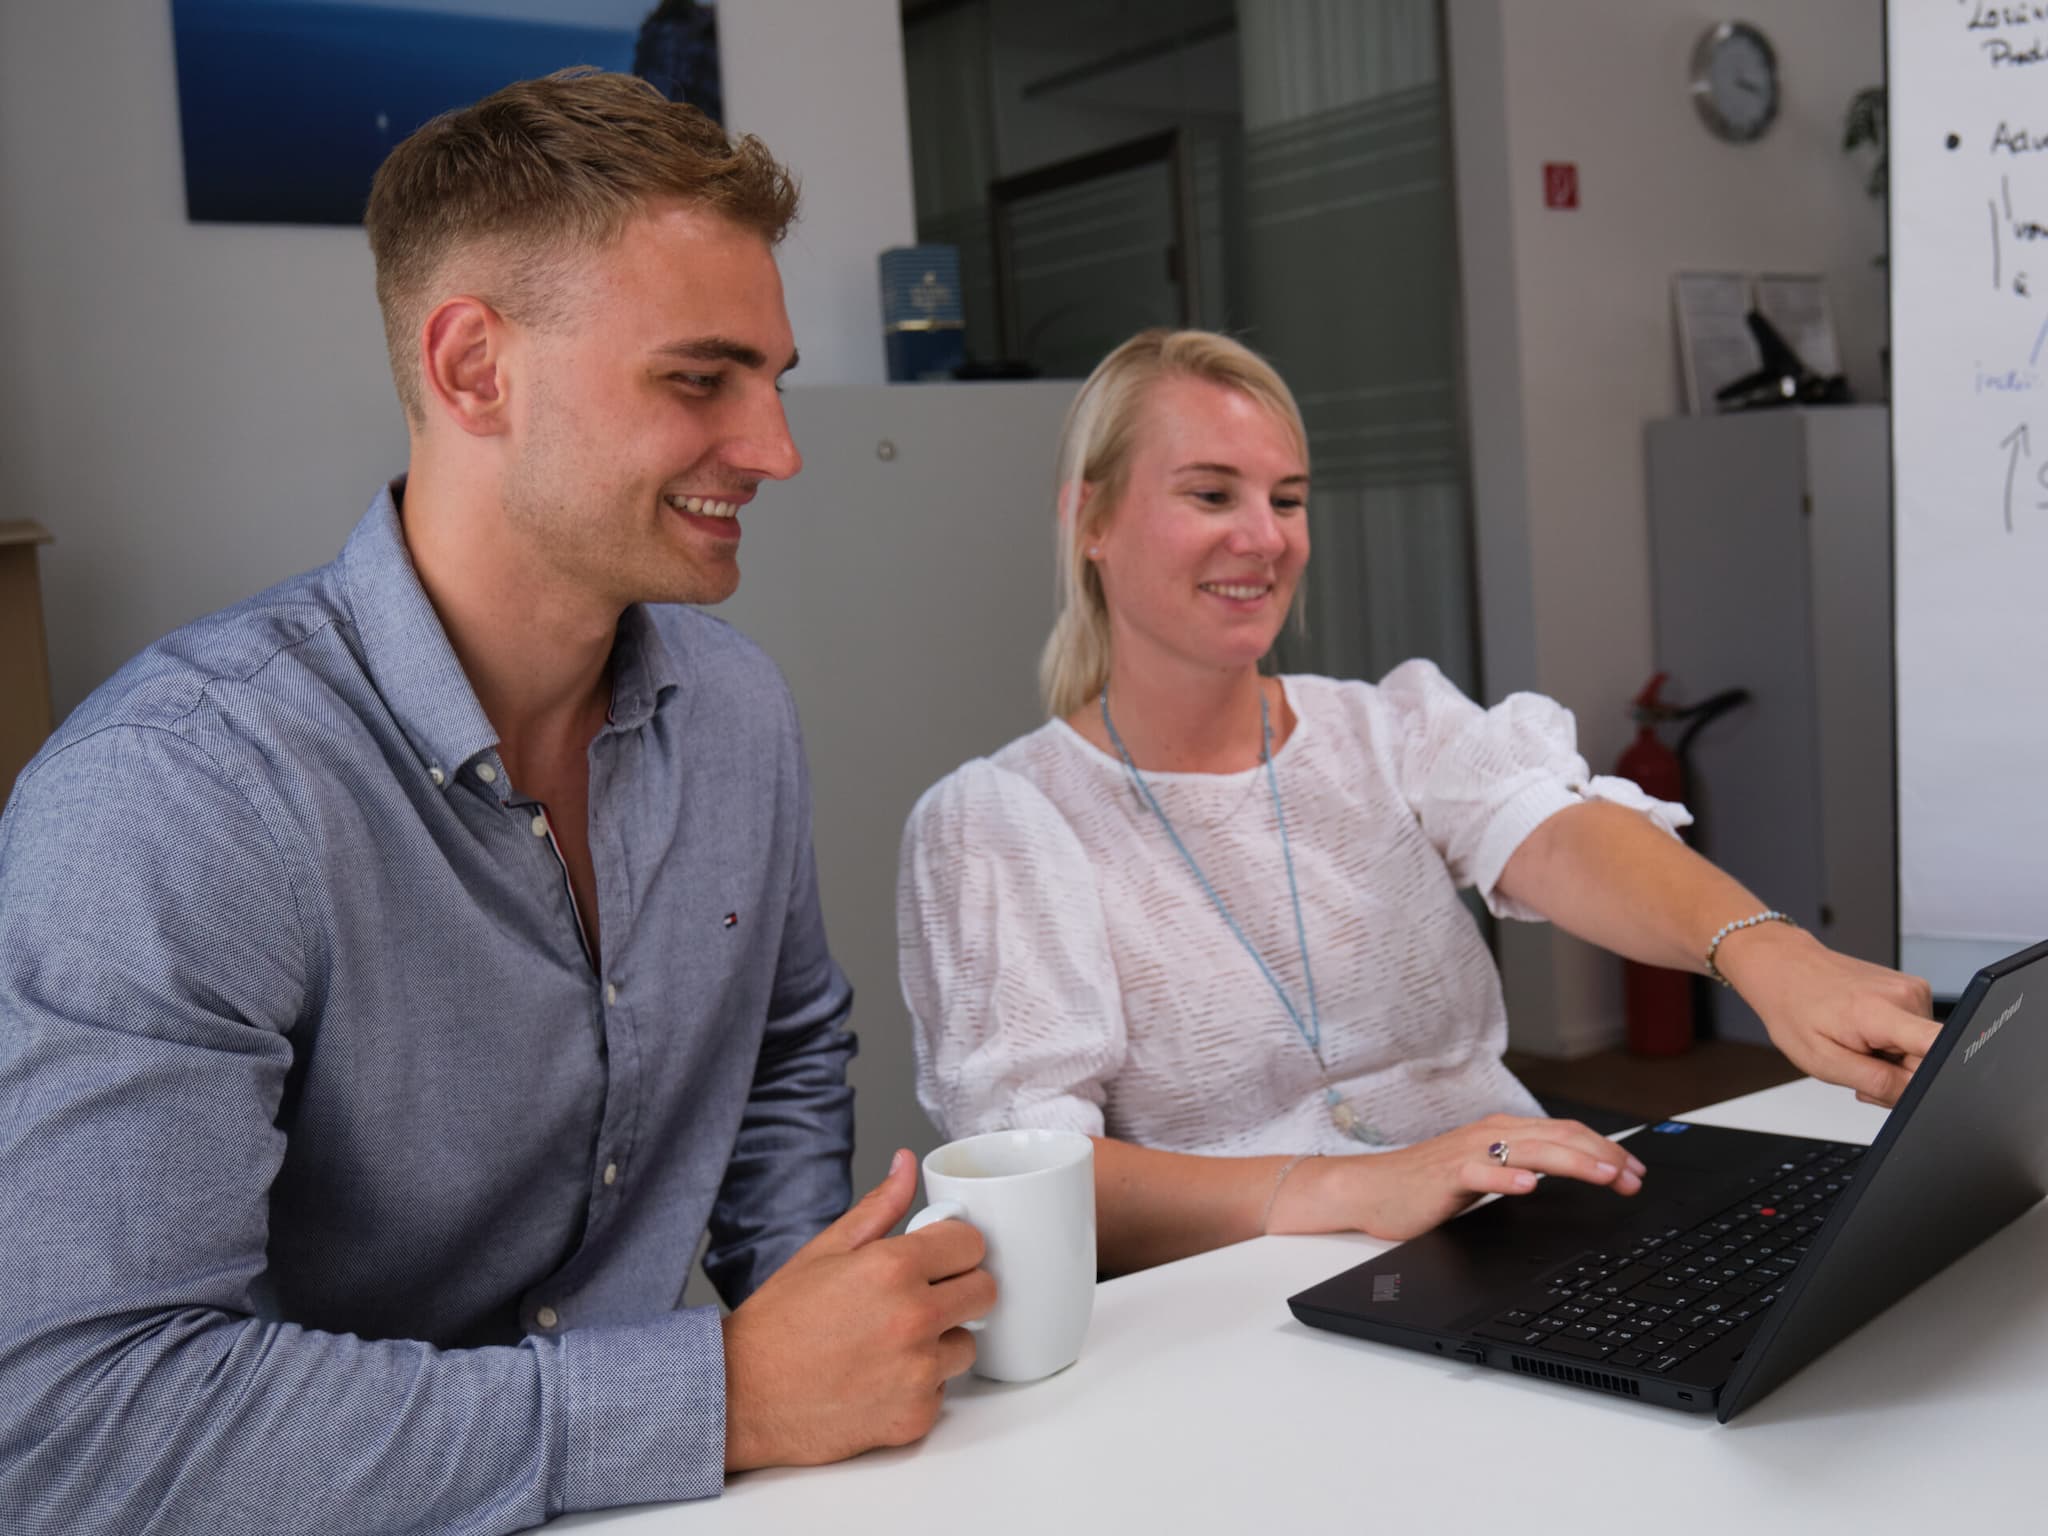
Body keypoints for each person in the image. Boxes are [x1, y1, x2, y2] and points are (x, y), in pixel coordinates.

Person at [0, 71, 990, 1534]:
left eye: (774, 381)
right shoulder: (175, 798)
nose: (778, 449)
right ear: (474, 371)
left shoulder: (736, 713)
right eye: (701, 380)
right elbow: (83, 1429)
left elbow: (784, 1043)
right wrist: (727, 1392)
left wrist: (811, 1304)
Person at [896, 328, 1937, 1277]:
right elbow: (1034, 1181)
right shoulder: (1001, 822)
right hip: (1236, 1297)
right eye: (1210, 495)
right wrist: (1353, 1186)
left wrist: (1768, 957)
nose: (1263, 538)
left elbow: (1557, 833)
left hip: (1510, 1228)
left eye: (1287, 498)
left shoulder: (1382, 728)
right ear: (1089, 517)